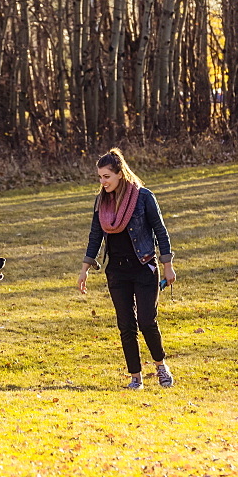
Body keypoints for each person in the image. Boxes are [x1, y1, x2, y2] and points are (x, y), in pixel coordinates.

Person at [77, 148, 176, 390]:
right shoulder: (101, 201)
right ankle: (135, 377)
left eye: (106, 176)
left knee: (147, 321)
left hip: (144, 267)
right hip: (117, 272)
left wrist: (168, 266)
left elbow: (161, 232)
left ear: (120, 174)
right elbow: (95, 235)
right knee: (126, 325)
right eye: (100, 177)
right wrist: (84, 268)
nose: (102, 182)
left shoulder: (143, 197)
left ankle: (161, 366)